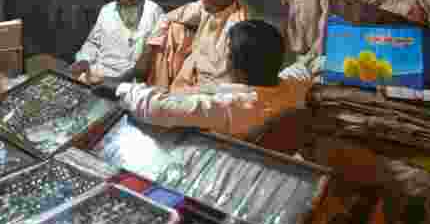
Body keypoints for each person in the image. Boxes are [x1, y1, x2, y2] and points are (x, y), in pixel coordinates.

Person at [95, 20, 311, 139]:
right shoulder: (293, 88)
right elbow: (302, 69)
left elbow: (158, 107)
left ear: (239, 68)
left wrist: (119, 87)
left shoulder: (234, 106)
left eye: (227, 55)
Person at [139, 0, 249, 92]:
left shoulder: (239, 26)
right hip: (187, 79)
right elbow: (167, 18)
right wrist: (147, 52)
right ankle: (158, 90)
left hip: (210, 94)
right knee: (173, 29)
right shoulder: (205, 6)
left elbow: (224, 82)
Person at [70, 0, 165, 83]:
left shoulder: (154, 12)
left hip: (132, 80)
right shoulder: (107, 11)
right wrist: (83, 60)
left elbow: (154, 55)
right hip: (99, 72)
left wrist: (117, 82)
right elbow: (93, 43)